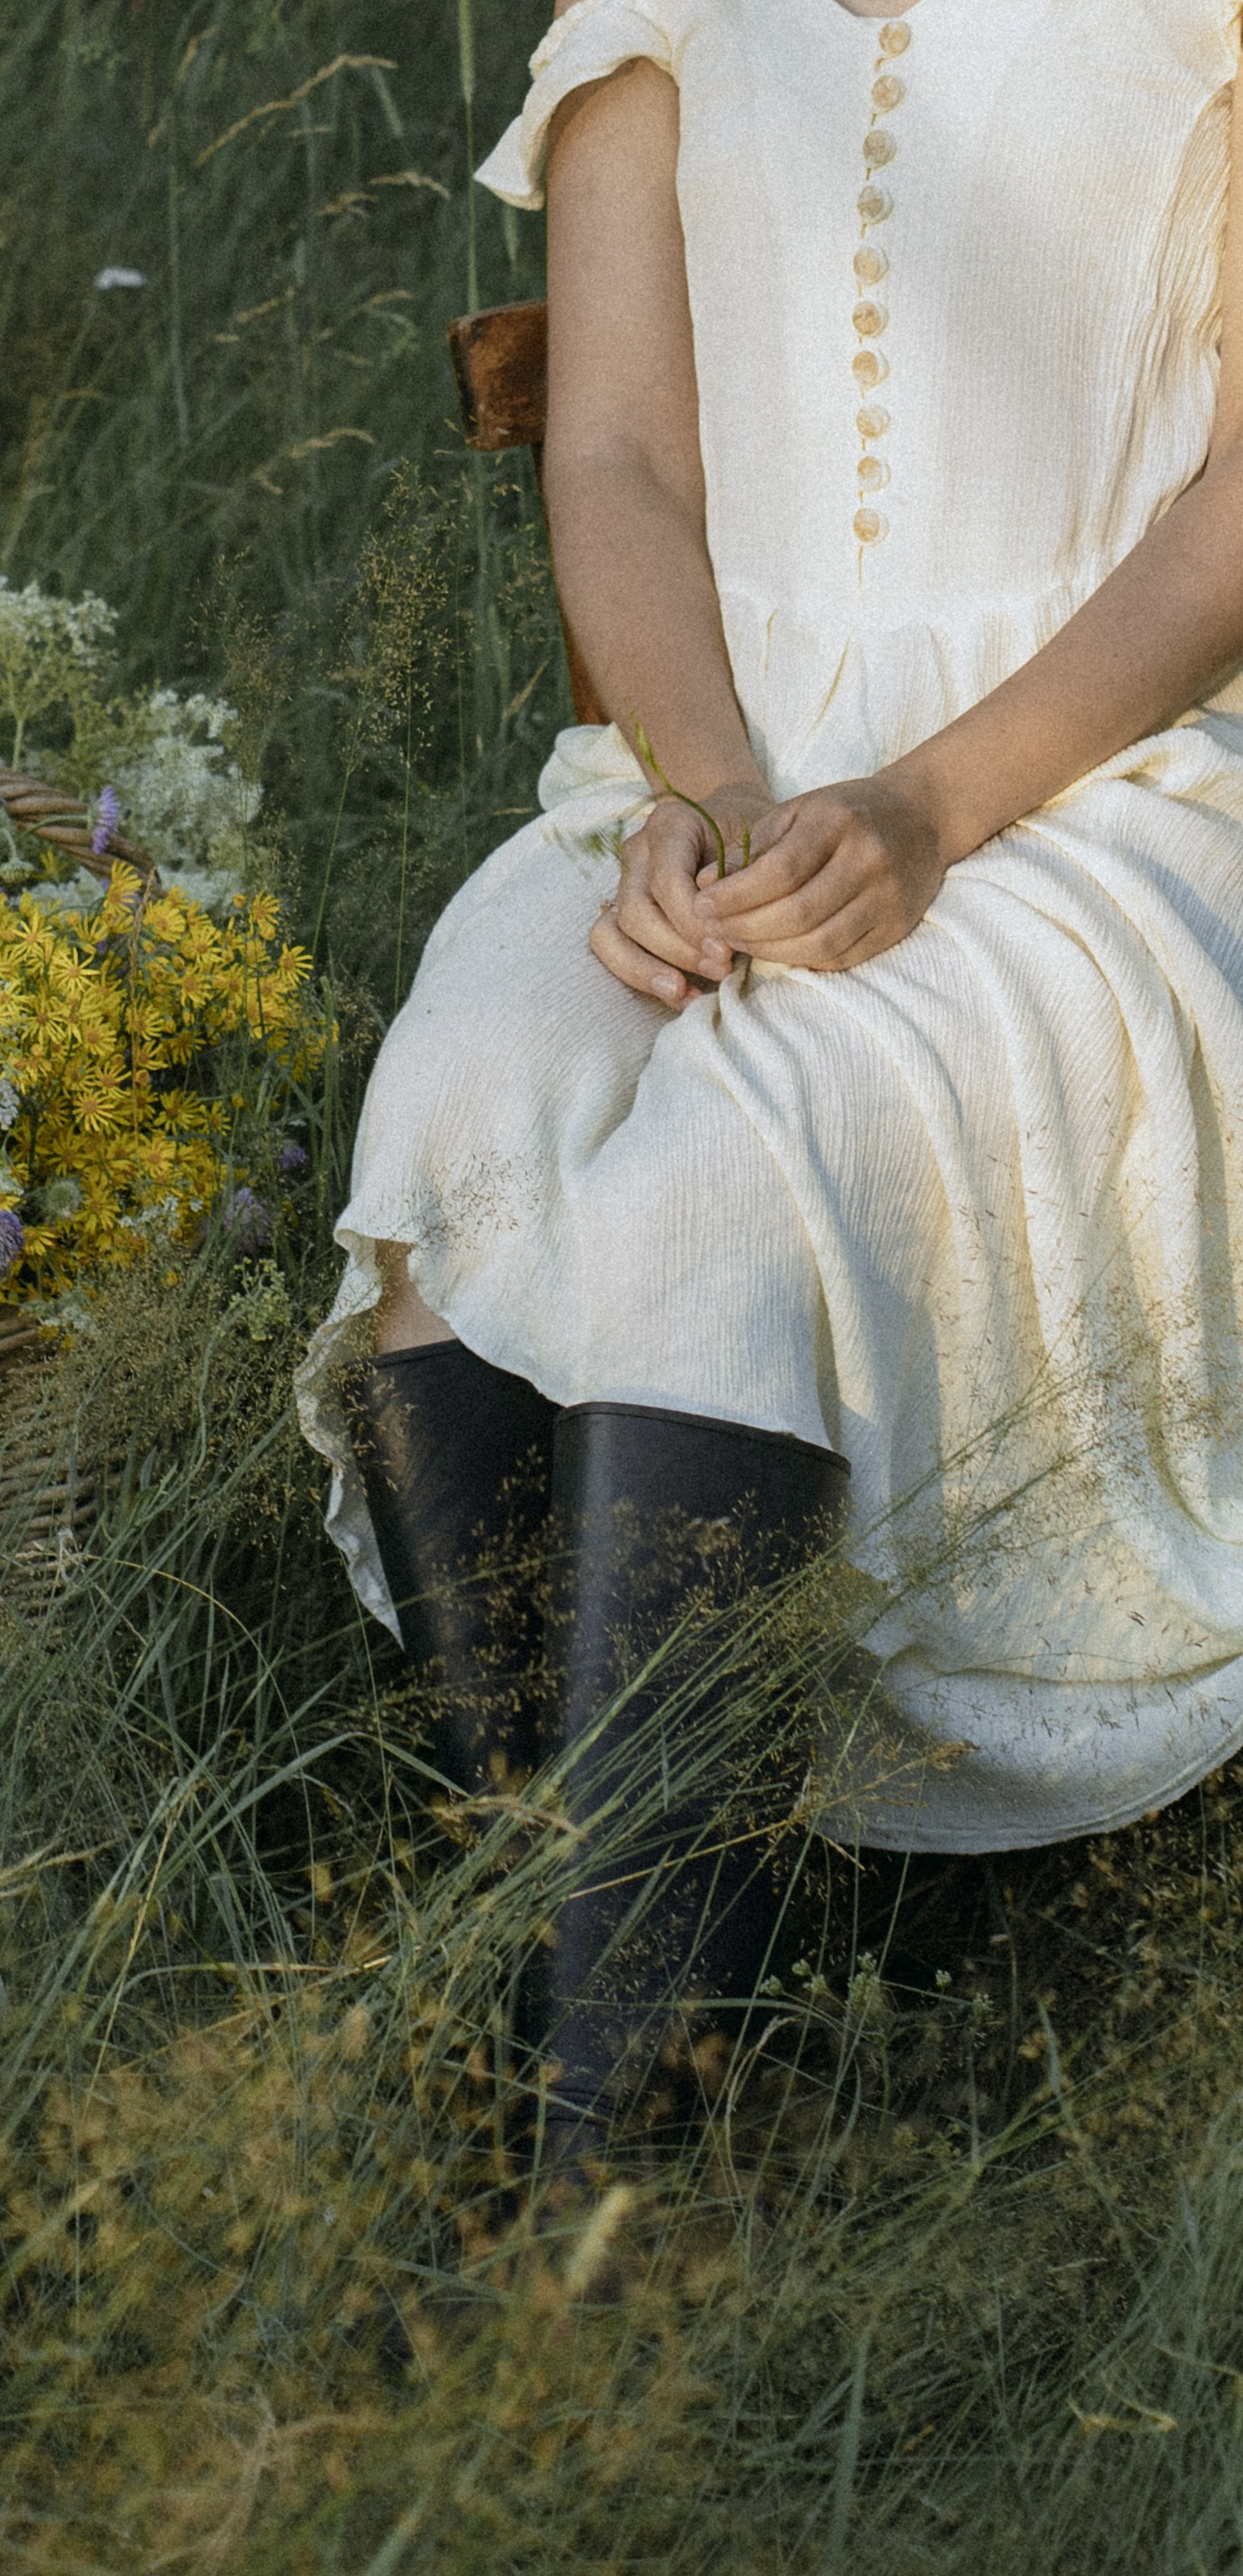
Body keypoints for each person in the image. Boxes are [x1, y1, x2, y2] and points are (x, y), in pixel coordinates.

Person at [295, 0, 1243, 2153]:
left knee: (715, 1192)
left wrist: (918, 811)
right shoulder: (657, 10)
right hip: (696, 764)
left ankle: (615, 2177)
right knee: (470, 1102)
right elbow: (619, 452)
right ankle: (546, 1989)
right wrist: (713, 794)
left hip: (1093, 787)